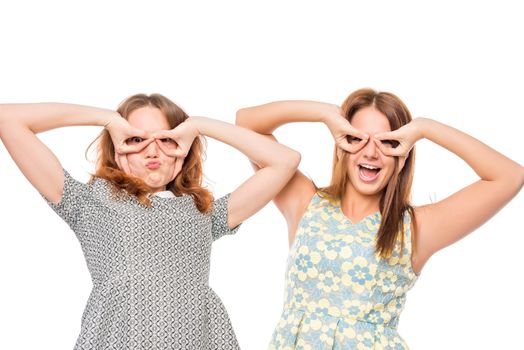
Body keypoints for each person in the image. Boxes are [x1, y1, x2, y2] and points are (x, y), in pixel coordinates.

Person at [0, 94, 300, 350]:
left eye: (167, 139)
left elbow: (284, 161)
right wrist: (106, 119)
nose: (153, 150)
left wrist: (198, 126)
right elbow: (7, 118)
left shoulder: (204, 213)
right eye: (136, 139)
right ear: (117, 149)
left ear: (183, 150)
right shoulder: (88, 203)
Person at [236, 88, 524, 349]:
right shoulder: (305, 203)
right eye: (357, 139)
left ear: (403, 153)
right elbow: (246, 124)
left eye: (388, 142)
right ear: (341, 144)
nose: (371, 152)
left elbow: (509, 177)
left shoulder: (415, 229)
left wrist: (425, 128)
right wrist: (325, 113)